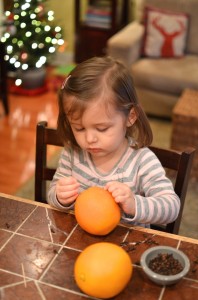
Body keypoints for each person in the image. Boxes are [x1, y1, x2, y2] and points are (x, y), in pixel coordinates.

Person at [48, 56, 180, 227]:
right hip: (79, 237)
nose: (89, 139)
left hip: (127, 244)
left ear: (130, 117)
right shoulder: (72, 154)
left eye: (102, 129)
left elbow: (171, 207)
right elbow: (52, 193)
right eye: (79, 128)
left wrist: (134, 204)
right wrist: (60, 197)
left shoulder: (141, 161)